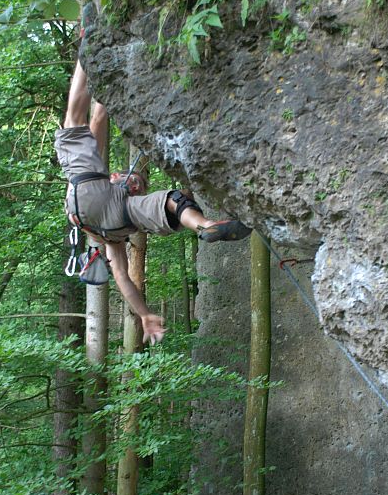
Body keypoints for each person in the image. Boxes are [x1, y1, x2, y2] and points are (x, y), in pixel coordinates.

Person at [55, 59, 251, 345]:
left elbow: (122, 276)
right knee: (76, 122)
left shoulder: (115, 233)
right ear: (115, 176)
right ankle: (87, 54)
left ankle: (206, 225)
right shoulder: (107, 191)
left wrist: (145, 314)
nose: (136, 184)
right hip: (90, 200)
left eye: (139, 186)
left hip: (90, 208)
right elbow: (97, 119)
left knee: (171, 200)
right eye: (135, 180)